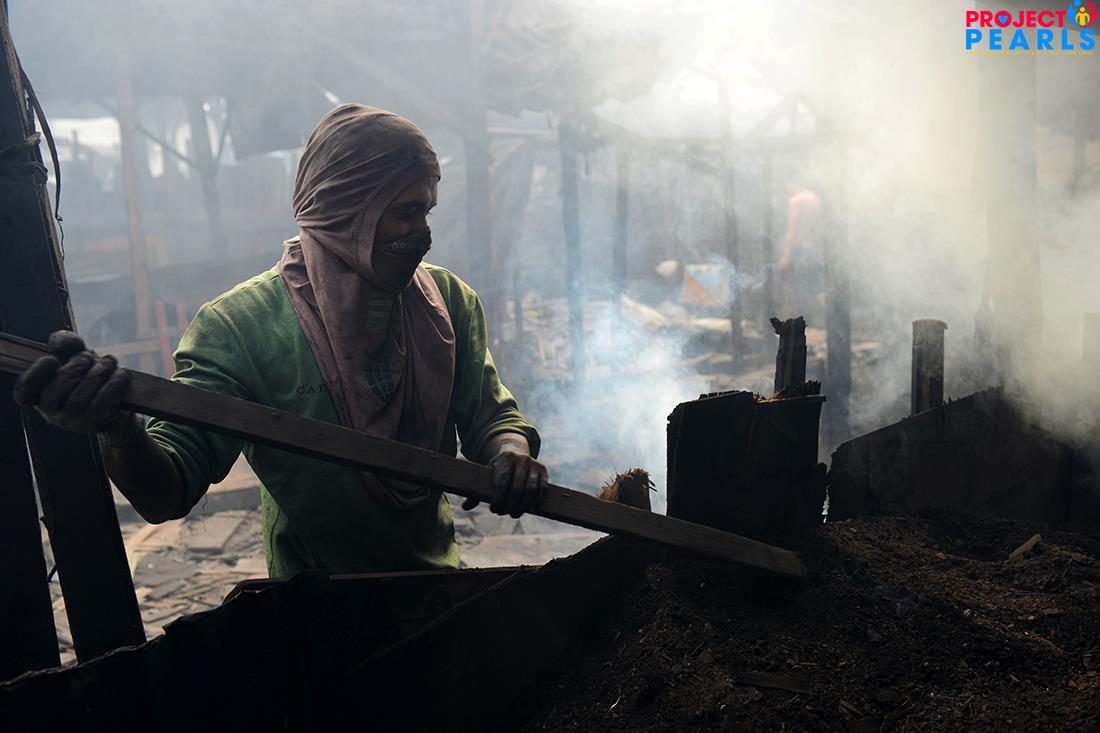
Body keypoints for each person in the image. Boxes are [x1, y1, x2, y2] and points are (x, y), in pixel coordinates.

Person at [12, 104, 548, 576]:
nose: (424, 233)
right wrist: (120, 430)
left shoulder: (448, 302)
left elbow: (490, 418)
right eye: (405, 212)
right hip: (310, 608)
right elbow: (166, 492)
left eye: (426, 210)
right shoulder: (239, 326)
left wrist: (511, 454)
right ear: (345, 208)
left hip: (438, 591)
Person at [777, 177, 824, 322]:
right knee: (817, 288)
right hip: (813, 249)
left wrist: (786, 256)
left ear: (793, 182)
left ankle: (792, 324)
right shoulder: (815, 199)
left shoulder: (796, 201)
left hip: (800, 251)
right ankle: (827, 318)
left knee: (792, 289)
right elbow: (818, 226)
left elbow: (793, 229)